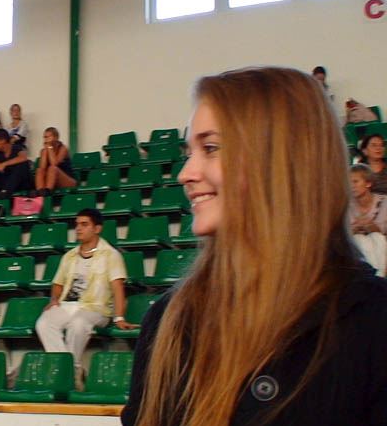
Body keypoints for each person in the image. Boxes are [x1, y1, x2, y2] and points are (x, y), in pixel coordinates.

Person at [122, 67, 387, 426]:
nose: (185, 173)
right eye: (190, 151)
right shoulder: (168, 320)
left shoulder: (372, 321)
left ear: (281, 160)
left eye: (211, 148)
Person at [35, 208, 133, 390]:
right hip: (67, 305)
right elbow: (58, 283)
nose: (78, 228)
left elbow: (118, 288)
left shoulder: (111, 255)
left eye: (84, 224)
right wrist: (54, 299)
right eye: (77, 224)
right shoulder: (69, 256)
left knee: (78, 323)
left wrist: (119, 317)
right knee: (44, 323)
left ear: (97, 228)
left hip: (96, 308)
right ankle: (70, 371)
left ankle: (65, 374)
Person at [349, 164, 387, 276]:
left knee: (377, 237)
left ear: (368, 183)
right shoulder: (346, 206)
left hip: (382, 248)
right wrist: (353, 230)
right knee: (359, 239)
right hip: (357, 251)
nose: (351, 186)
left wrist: (373, 228)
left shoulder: (384, 203)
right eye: (349, 182)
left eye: (355, 182)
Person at [0, 128, 32, 199]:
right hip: (6, 182)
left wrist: (3, 164)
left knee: (22, 164)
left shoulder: (16, 148)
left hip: (20, 183)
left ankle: (5, 192)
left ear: (3, 140)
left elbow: (23, 157)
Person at [34, 127, 77, 196]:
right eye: (45, 137)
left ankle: (47, 191)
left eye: (48, 137)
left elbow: (54, 163)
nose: (46, 139)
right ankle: (40, 192)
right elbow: (42, 167)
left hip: (68, 180)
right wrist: (45, 152)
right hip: (52, 181)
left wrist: (50, 148)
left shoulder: (63, 148)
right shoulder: (44, 150)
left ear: (56, 137)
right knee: (39, 170)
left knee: (52, 168)